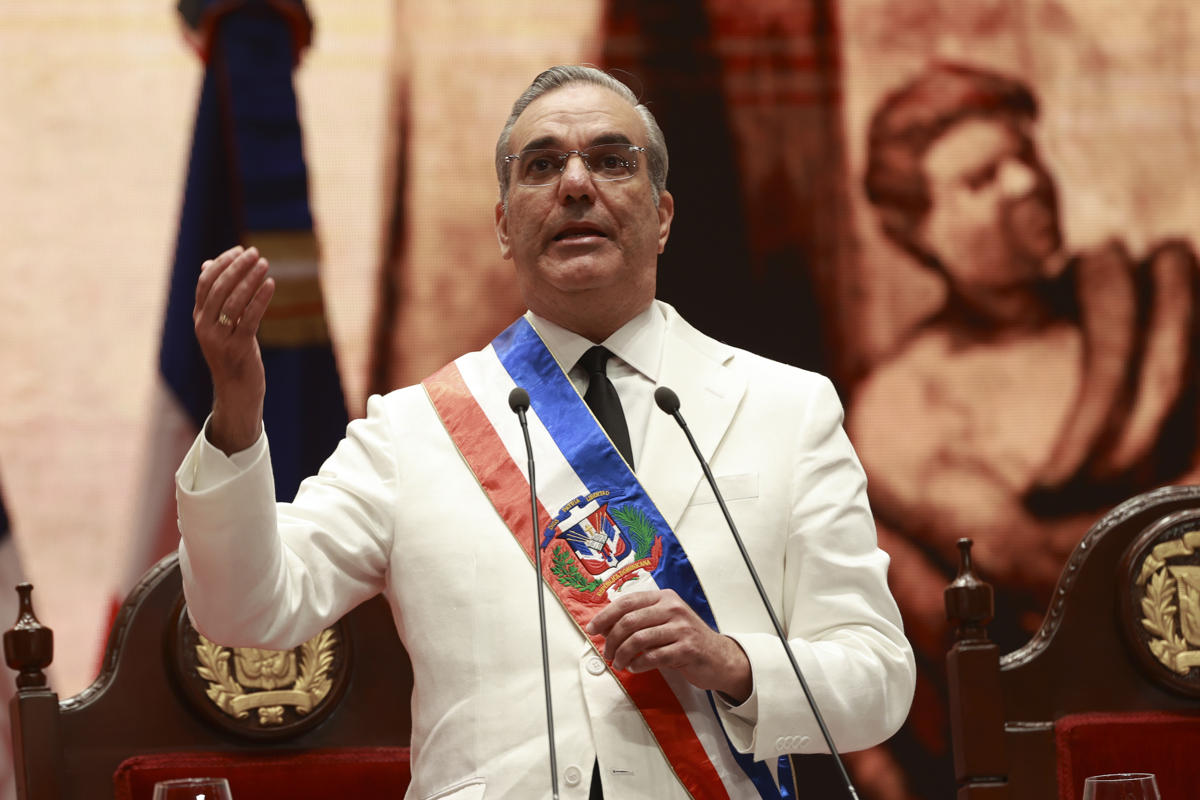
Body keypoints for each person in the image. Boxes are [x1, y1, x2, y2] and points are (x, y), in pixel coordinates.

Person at [177, 65, 915, 800]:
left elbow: (878, 680)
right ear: (504, 225)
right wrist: (237, 414)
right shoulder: (414, 427)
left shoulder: (784, 407)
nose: (574, 184)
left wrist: (733, 662)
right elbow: (244, 611)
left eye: (610, 160)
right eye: (541, 166)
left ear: (662, 215)